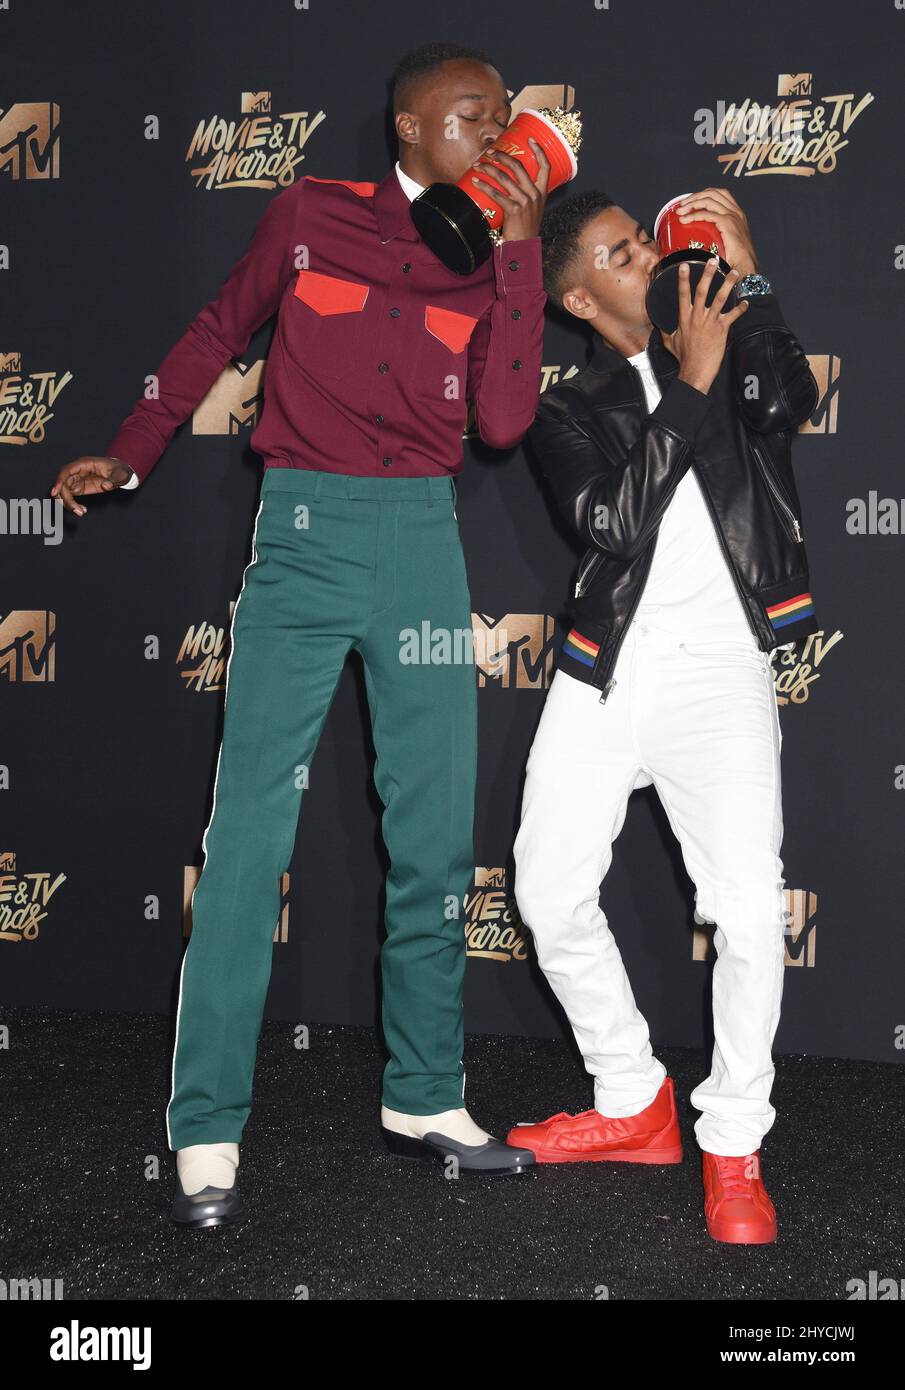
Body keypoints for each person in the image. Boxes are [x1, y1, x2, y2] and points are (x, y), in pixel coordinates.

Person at [51, 40, 550, 1227]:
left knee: (433, 833)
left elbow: (501, 420)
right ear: (413, 128)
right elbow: (215, 330)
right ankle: (206, 1121)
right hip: (304, 536)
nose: (499, 137)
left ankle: (426, 1095)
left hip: (424, 548)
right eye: (476, 118)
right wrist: (128, 449)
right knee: (245, 836)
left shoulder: (491, 259)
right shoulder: (310, 213)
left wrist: (521, 260)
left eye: (503, 118)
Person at [506, 187, 820, 1244]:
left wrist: (755, 276)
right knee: (546, 887)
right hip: (604, 672)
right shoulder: (564, 408)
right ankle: (629, 1098)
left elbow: (788, 405)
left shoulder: (728, 340)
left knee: (743, 908)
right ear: (576, 295)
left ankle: (731, 1143)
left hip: (718, 672)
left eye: (644, 239)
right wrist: (682, 383)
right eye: (621, 251)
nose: (648, 256)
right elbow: (614, 520)